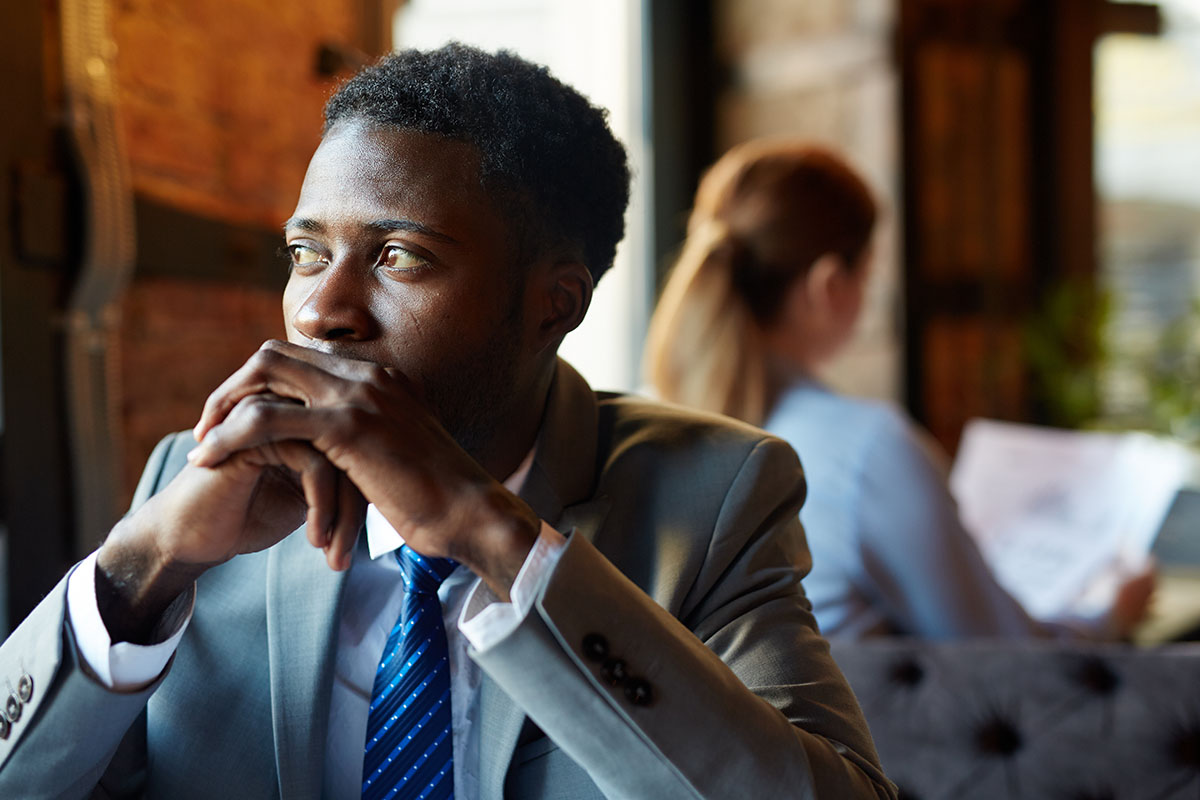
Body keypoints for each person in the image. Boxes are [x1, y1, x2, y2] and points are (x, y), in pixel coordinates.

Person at [0, 47, 895, 799]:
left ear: (555, 303)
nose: (321, 312)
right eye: (307, 253)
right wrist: (137, 567)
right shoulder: (197, 481)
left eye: (399, 257)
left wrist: (490, 533)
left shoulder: (711, 499)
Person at [644, 139, 1154, 640]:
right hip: (859, 727)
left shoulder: (648, 431)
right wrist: (1110, 615)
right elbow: (1003, 653)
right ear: (829, 284)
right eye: (868, 274)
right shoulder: (865, 449)